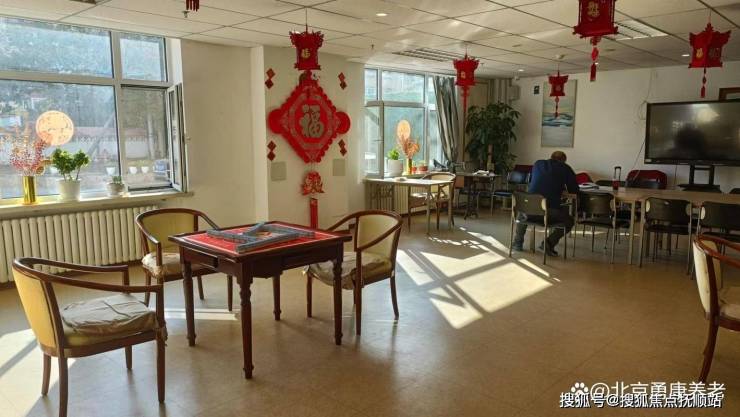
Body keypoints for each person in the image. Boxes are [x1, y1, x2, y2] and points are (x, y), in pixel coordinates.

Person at [512, 151, 579, 256]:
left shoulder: (538, 163)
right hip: (548, 213)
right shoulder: (565, 168)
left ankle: (517, 243)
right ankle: (548, 244)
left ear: (551, 157)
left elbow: (534, 181)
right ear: (563, 161)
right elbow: (574, 190)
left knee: (523, 213)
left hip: (530, 211)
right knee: (569, 221)